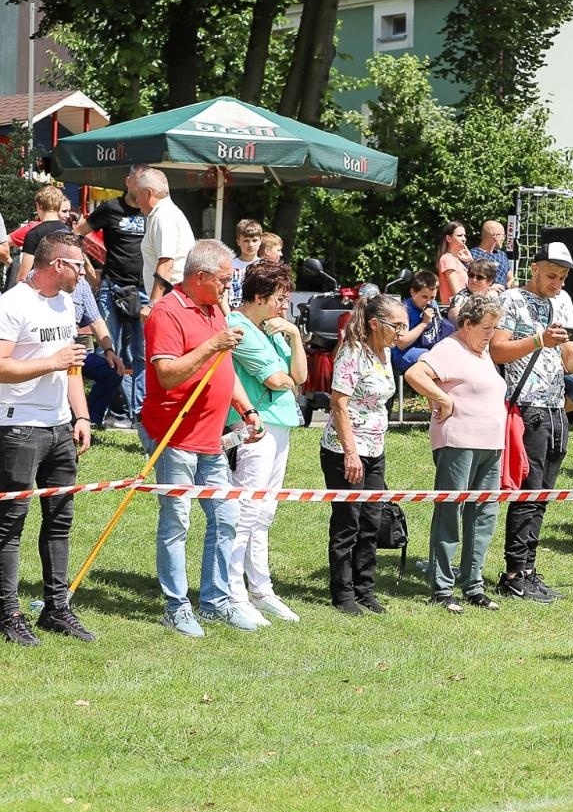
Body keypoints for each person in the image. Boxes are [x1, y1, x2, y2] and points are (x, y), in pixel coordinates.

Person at [142, 240, 265, 637]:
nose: (229, 288)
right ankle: (176, 606)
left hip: (213, 436)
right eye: (225, 280)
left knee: (225, 517)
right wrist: (213, 344)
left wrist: (246, 410)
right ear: (200, 278)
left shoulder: (215, 309)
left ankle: (215, 601)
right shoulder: (166, 313)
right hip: (173, 435)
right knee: (177, 519)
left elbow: (222, 371)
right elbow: (168, 375)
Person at [0, 231, 96, 644]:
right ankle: (8, 613)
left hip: (60, 428)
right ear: (57, 264)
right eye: (78, 265)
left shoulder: (66, 303)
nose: (84, 273)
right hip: (18, 427)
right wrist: (50, 361)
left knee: (60, 520)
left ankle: (57, 609)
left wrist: (82, 415)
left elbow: (70, 365)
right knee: (10, 524)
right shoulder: (12, 305)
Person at [492, 242, 573, 603]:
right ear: (534, 268)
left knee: (544, 493)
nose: (557, 283)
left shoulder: (562, 303)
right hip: (527, 406)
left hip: (555, 408)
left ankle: (529, 569)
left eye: (563, 277)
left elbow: (571, 365)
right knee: (528, 492)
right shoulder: (511, 300)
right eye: (552, 275)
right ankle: (514, 572)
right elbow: (497, 350)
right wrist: (538, 339)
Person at [403, 292, 507, 613]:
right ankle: (443, 587)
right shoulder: (449, 348)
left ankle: (473, 585)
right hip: (458, 442)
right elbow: (414, 374)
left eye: (494, 327)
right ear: (467, 324)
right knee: (451, 511)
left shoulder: (484, 353)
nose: (491, 334)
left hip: (491, 445)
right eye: (486, 327)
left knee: (484, 514)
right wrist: (443, 399)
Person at [223, 261, 306, 627]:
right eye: (279, 299)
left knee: (265, 511)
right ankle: (232, 591)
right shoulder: (238, 327)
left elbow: (299, 377)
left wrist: (294, 335)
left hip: (281, 426)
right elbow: (276, 380)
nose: (284, 305)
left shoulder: (272, 330)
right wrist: (285, 377)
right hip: (253, 429)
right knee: (245, 510)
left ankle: (260, 588)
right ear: (259, 297)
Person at [321, 292, 407, 615]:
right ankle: (342, 594)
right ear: (374, 324)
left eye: (403, 324)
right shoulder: (351, 354)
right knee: (348, 521)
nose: (401, 331)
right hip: (345, 450)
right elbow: (339, 404)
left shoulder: (384, 354)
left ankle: (365, 588)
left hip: (375, 450)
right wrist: (350, 453)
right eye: (395, 325)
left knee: (372, 520)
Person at [78, 167, 149, 425]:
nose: (140, 185)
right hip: (113, 287)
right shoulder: (110, 208)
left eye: (145, 181)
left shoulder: (152, 211)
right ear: (127, 181)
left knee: (141, 353)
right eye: (137, 180)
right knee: (110, 349)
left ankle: (139, 413)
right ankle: (111, 411)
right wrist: (88, 269)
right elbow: (78, 233)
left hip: (144, 289)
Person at [135, 167, 195, 299]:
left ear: (149, 193)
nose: (136, 200)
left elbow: (166, 263)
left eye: (138, 194)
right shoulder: (163, 213)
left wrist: (153, 304)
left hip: (171, 298)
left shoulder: (163, 216)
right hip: (173, 296)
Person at [395, 271, 454, 372]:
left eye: (432, 297)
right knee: (431, 360)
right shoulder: (404, 310)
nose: (429, 302)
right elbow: (401, 344)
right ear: (413, 292)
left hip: (429, 348)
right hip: (406, 353)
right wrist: (424, 323)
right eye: (424, 297)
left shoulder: (432, 304)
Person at [434, 220, 470, 305]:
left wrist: (469, 261)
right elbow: (457, 293)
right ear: (448, 238)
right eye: (459, 236)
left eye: (464, 235)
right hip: (455, 309)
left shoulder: (458, 260)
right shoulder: (447, 259)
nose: (464, 239)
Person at [229, 218, 263, 306]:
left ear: (260, 241)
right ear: (238, 242)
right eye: (246, 241)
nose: (250, 245)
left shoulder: (265, 266)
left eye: (254, 240)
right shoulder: (230, 265)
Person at [469, 220, 512, 286]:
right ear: (496, 236)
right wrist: (489, 288)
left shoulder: (502, 255)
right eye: (503, 235)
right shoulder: (472, 255)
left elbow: (511, 278)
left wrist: (506, 289)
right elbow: (469, 280)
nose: (503, 239)